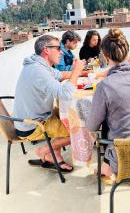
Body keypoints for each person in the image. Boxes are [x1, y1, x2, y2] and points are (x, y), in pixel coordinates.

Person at [86, 28, 130, 184]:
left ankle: (109, 168)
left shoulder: (105, 87)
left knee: (106, 125)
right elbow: (127, 66)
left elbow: (92, 125)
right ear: (127, 51)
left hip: (124, 152)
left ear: (105, 57)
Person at [14, 35, 85, 172]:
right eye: (58, 48)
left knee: (71, 116)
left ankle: (53, 156)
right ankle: (45, 150)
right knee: (78, 130)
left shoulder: (39, 65)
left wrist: (82, 72)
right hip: (33, 124)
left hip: (34, 117)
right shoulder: (38, 71)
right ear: (46, 50)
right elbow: (65, 94)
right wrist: (76, 71)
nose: (62, 52)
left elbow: (60, 75)